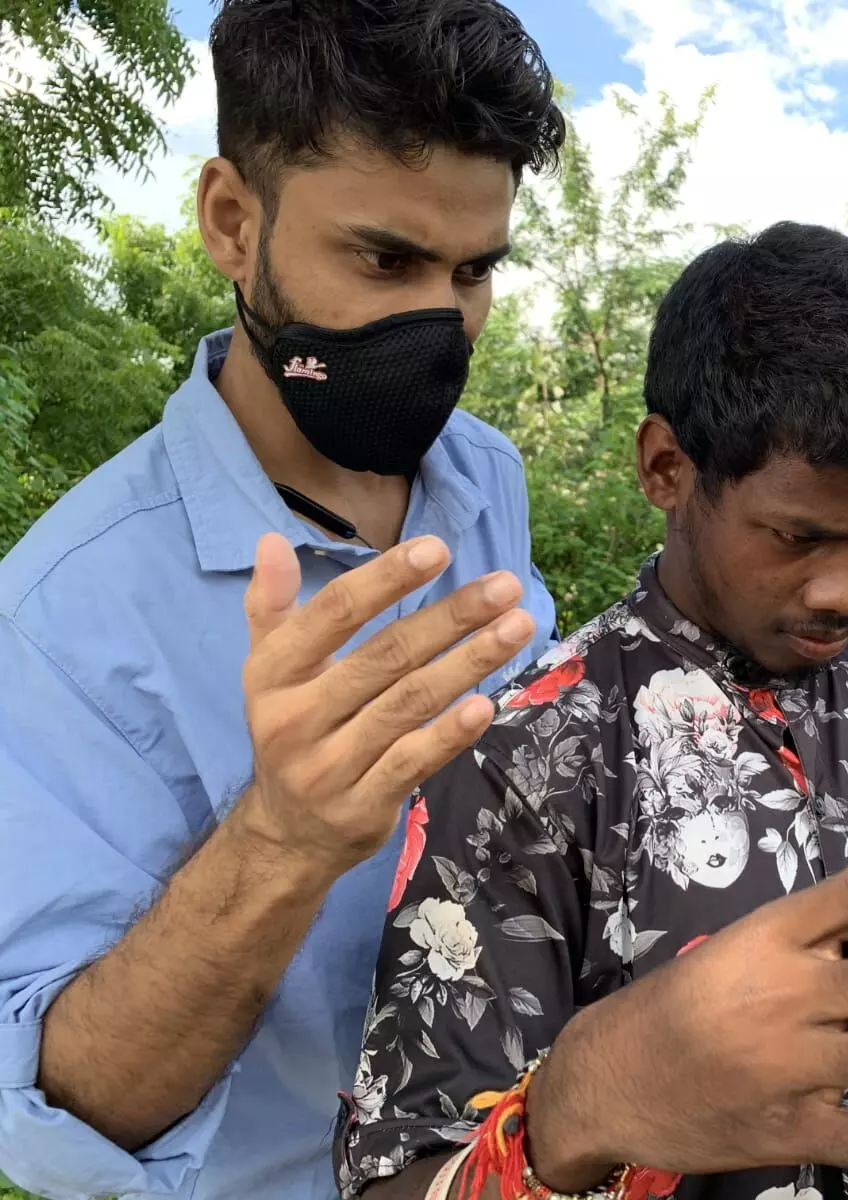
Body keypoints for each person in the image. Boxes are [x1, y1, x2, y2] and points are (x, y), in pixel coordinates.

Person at [339, 223, 848, 1200]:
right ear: (667, 469)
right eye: (797, 536)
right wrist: (579, 1110)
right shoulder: (520, 753)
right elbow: (399, 1180)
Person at [0, 2, 569, 1196]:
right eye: (384, 260)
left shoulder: (484, 477)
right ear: (231, 220)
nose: (440, 326)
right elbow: (63, 1110)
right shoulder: (63, 615)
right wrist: (283, 842)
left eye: (473, 272)